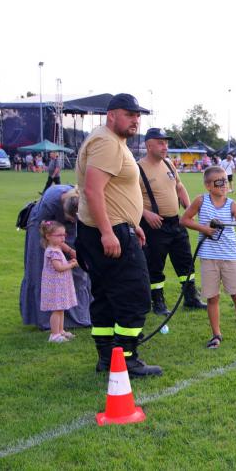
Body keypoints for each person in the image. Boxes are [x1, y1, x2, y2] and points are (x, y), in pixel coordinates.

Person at [74, 93, 162, 377]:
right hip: (109, 232)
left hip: (111, 228)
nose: (135, 120)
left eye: (138, 115)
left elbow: (111, 192)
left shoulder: (110, 140)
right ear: (111, 115)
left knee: (106, 295)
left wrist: (132, 223)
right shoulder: (107, 142)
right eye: (129, 114)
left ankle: (106, 357)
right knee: (135, 294)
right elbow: (93, 190)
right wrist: (108, 232)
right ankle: (126, 358)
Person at [182, 166, 236, 348]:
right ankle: (216, 335)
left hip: (230, 257)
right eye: (219, 182)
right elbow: (184, 219)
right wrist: (204, 229)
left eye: (226, 181)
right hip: (209, 258)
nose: (224, 185)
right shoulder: (201, 201)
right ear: (208, 185)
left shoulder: (232, 204)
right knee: (212, 298)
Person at [138, 127, 205, 316]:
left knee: (185, 261)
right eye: (160, 143)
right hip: (154, 225)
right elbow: (127, 198)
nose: (165, 146)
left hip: (176, 223)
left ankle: (191, 298)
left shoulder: (168, 164)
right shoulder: (137, 168)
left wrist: (189, 207)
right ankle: (158, 302)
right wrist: (145, 213)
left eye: (166, 143)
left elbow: (179, 186)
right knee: (155, 264)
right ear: (149, 145)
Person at [19, 185, 92, 330]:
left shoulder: (82, 201)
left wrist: (77, 252)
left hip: (60, 227)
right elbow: (50, 239)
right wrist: (69, 251)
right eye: (70, 219)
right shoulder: (50, 203)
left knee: (79, 273)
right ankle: (47, 320)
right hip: (42, 227)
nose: (73, 223)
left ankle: (80, 316)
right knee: (43, 272)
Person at [39, 220, 80, 343]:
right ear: (48, 236)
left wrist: (68, 262)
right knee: (57, 310)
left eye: (64, 235)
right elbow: (59, 268)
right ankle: (54, 335)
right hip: (55, 286)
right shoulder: (53, 251)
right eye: (59, 235)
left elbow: (61, 265)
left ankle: (60, 331)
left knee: (61, 308)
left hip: (60, 284)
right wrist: (72, 264)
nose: (63, 238)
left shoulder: (56, 248)